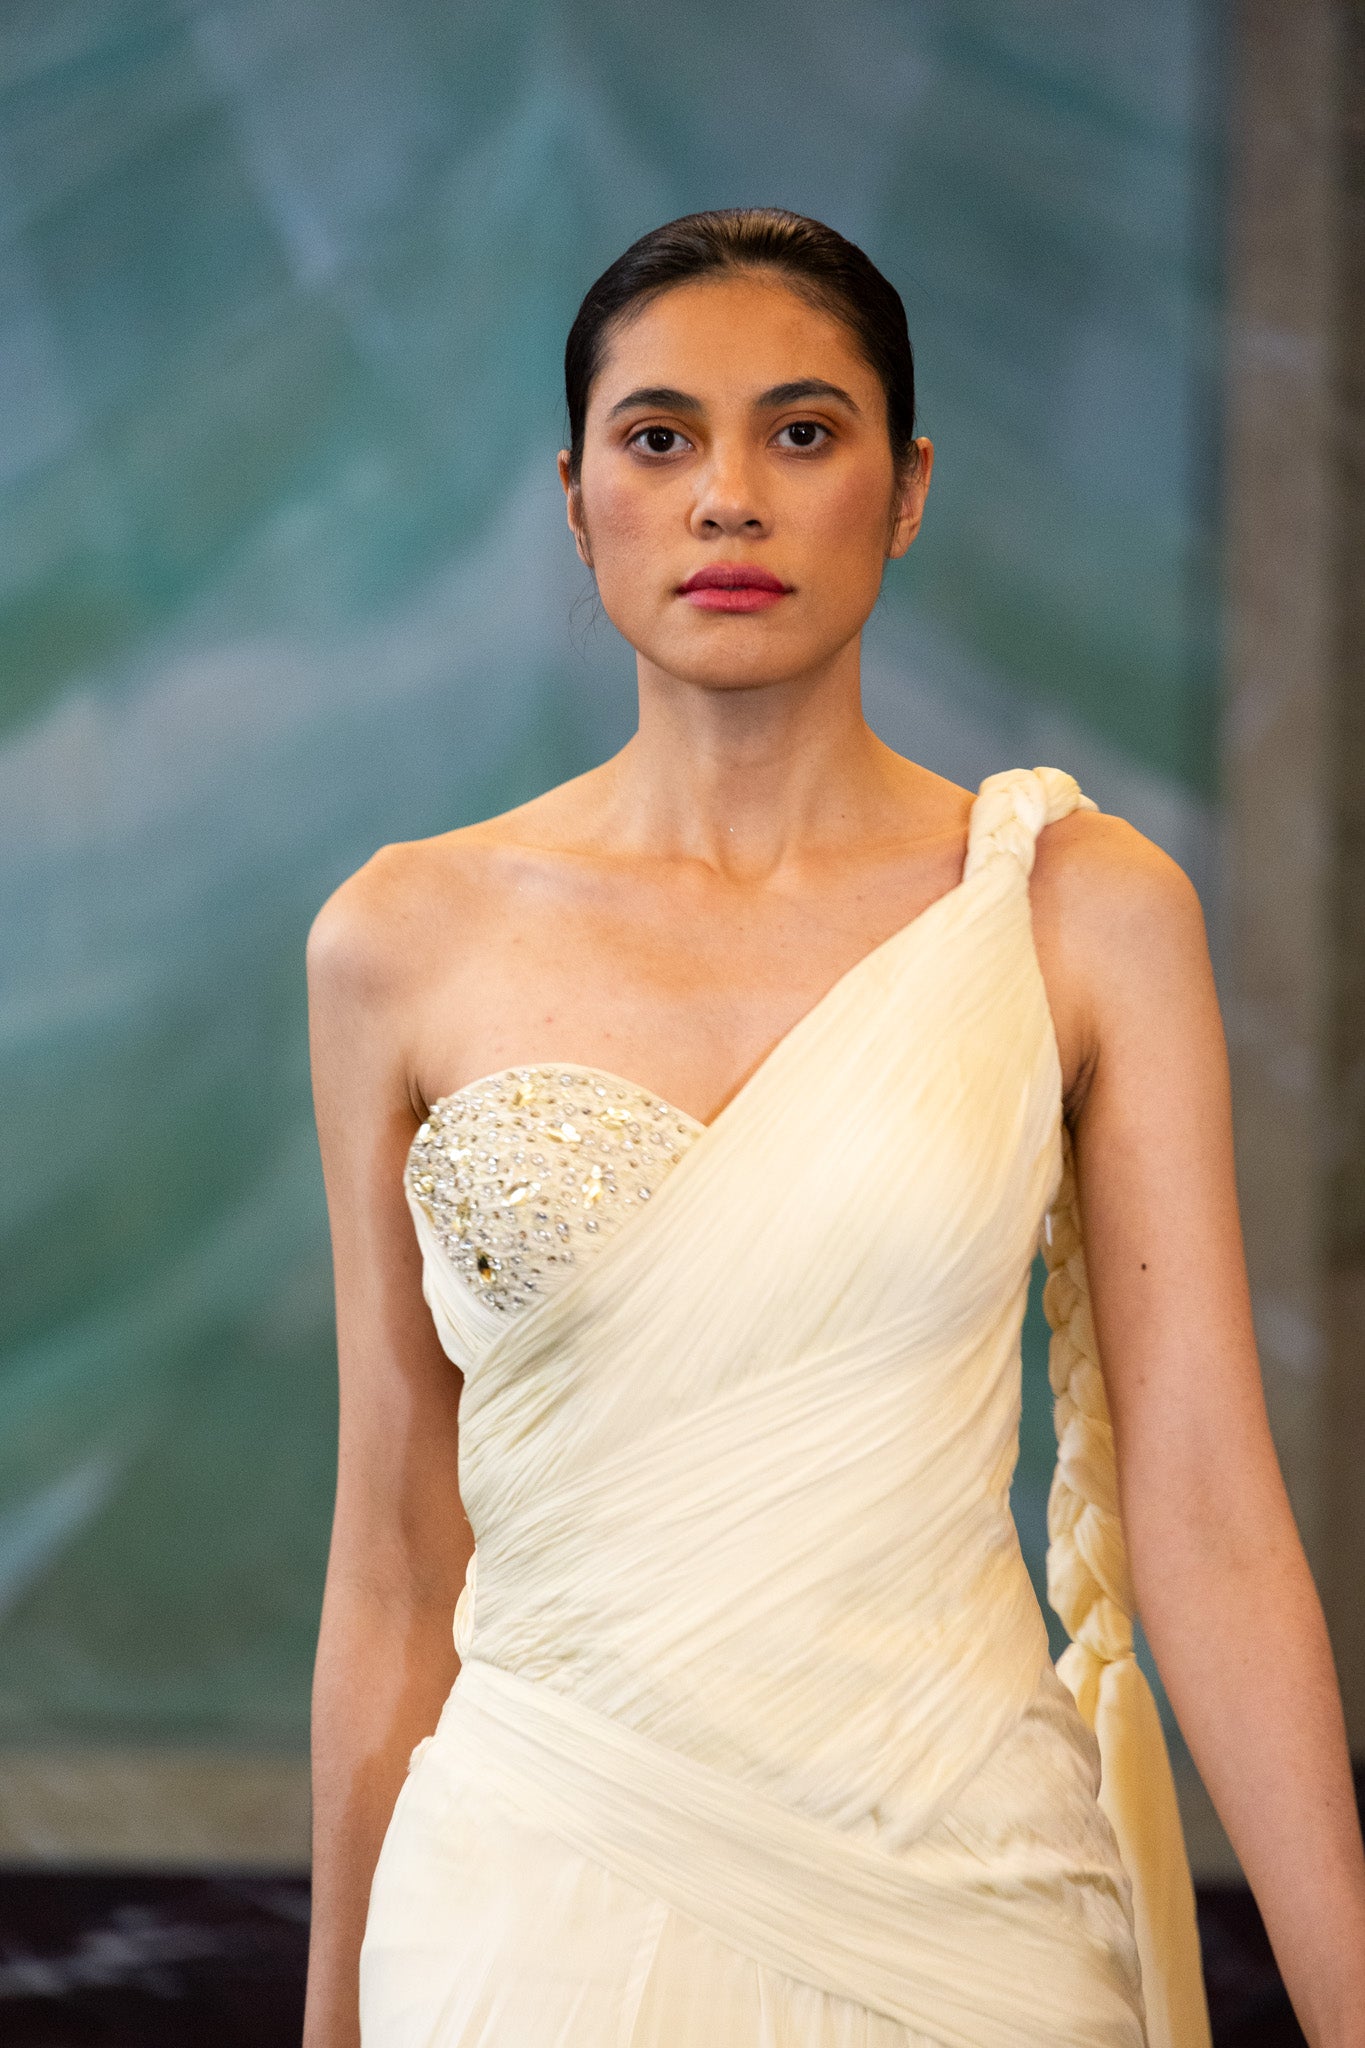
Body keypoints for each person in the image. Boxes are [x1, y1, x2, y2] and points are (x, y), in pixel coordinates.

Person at [302, 209, 1365, 2048]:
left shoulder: (1077, 907)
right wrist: (330, 2018)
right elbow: (395, 1553)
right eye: (658, 439)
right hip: (518, 1915)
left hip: (967, 1903)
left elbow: (1203, 1516)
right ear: (576, 503)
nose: (728, 498)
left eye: (800, 432)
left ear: (907, 488)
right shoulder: (402, 939)